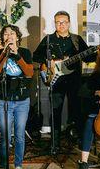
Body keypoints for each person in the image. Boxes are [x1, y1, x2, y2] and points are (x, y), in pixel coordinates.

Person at [33, 11, 96, 151]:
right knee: (55, 112)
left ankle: (80, 142)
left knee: (77, 111)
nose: (60, 25)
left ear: (68, 23)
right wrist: (49, 63)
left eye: (63, 22)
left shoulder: (76, 40)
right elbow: (36, 57)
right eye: (58, 22)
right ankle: (55, 144)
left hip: (74, 81)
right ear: (54, 23)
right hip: (56, 81)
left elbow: (88, 58)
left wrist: (98, 51)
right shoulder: (48, 39)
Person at [0, 24, 34, 169]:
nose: (9, 35)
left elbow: (29, 73)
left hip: (22, 100)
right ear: (3, 38)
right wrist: (4, 54)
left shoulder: (25, 52)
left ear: (17, 36)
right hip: (5, 100)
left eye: (12, 33)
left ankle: (18, 166)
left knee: (20, 135)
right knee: (5, 136)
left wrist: (17, 55)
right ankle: (3, 168)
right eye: (6, 34)